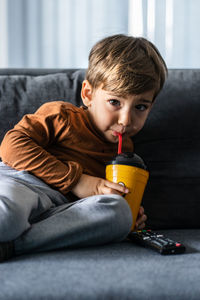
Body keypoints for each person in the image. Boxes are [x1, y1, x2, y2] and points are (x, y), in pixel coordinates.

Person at [0, 34, 167, 262]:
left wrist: (125, 207)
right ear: (88, 94)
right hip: (21, 182)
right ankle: (13, 237)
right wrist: (78, 182)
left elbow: (93, 199)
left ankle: (11, 246)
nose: (126, 120)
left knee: (118, 214)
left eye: (140, 106)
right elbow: (12, 145)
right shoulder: (62, 116)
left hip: (57, 213)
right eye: (115, 102)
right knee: (8, 218)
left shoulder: (125, 150)